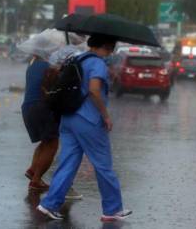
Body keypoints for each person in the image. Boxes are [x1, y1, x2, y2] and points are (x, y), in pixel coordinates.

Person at [37, 34, 132, 221]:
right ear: (106, 47)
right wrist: (105, 115)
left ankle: (49, 204)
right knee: (103, 165)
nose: (110, 53)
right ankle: (112, 209)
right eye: (110, 49)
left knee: (68, 162)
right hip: (89, 120)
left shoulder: (76, 58)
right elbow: (94, 90)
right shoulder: (97, 64)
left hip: (68, 118)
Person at [22, 52, 82, 199]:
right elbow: (54, 88)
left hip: (28, 107)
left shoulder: (32, 65)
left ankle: (33, 172)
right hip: (42, 107)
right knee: (52, 144)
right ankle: (36, 180)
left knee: (45, 142)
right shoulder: (48, 68)